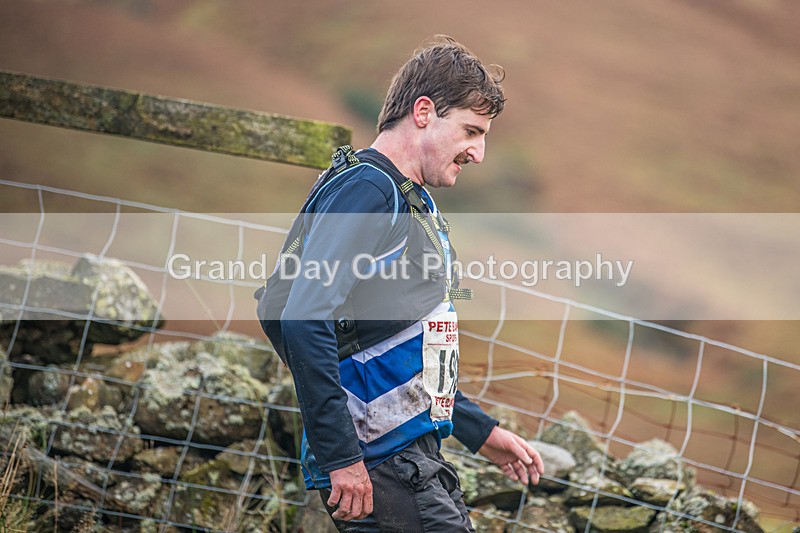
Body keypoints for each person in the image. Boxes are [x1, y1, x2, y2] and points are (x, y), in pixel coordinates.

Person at [258, 36, 544, 532]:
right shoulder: (369, 190)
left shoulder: (405, 197)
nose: (478, 152)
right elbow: (302, 316)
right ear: (424, 111)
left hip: (404, 456)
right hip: (380, 461)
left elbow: (405, 342)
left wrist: (478, 430)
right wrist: (341, 457)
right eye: (471, 131)